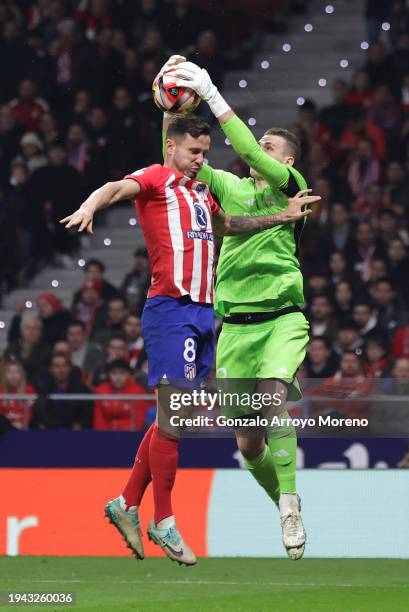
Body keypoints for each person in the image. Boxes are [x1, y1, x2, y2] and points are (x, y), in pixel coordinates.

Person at [60, 67, 319, 566]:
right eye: (196, 154)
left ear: (285, 162)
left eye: (206, 155)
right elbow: (137, 177)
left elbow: (232, 221)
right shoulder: (184, 180)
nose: (204, 161)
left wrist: (283, 215)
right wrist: (92, 201)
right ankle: (159, 516)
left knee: (194, 415)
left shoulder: (263, 187)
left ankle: (132, 502)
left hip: (238, 316)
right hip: (192, 314)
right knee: (202, 428)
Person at [171, 58, 322, 559]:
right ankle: (279, 498)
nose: (261, 152)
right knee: (248, 445)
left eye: (271, 148)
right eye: (263, 147)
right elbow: (176, 161)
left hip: (282, 316)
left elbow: (246, 147)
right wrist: (168, 101)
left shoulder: (290, 187)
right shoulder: (230, 189)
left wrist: (210, 92)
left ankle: (291, 504)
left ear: (287, 160)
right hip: (233, 325)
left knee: (271, 398)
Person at [94, 360, 151, 431]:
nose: (118, 378)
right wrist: (101, 436)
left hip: (130, 434)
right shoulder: (101, 390)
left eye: (122, 373)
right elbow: (99, 420)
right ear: (108, 375)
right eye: (114, 373)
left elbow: (138, 422)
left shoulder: (138, 391)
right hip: (107, 434)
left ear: (128, 374)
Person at [0, 360, 34, 429]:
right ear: (5, 375)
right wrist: (11, 423)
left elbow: (29, 412)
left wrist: (22, 423)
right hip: (4, 428)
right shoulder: (1, 390)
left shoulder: (29, 389)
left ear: (21, 374)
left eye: (16, 372)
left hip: (23, 427)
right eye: (9, 372)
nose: (13, 376)